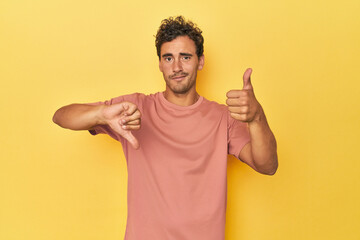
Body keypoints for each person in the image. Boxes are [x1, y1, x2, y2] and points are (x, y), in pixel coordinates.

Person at [53, 16, 278, 240]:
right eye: (168, 58)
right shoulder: (133, 109)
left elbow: (267, 165)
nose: (177, 67)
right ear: (159, 63)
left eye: (185, 57)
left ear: (200, 61)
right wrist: (101, 114)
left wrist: (257, 117)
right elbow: (60, 116)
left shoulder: (223, 118)